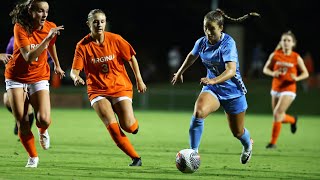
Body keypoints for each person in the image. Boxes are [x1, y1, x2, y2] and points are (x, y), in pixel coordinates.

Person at [171, 9, 259, 164]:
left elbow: (231, 71)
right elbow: (192, 56)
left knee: (238, 132)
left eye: (212, 29)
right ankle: (193, 154)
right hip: (213, 90)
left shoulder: (228, 43)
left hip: (233, 92)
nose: (208, 32)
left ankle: (248, 145)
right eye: (205, 28)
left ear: (221, 28)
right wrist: (179, 72)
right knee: (198, 113)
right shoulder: (202, 42)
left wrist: (213, 80)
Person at [70, 9, 147, 166]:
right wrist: (76, 77)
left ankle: (134, 126)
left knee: (128, 126)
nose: (99, 24)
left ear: (106, 23)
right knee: (111, 125)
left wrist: (139, 79)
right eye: (96, 21)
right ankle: (135, 158)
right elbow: (74, 71)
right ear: (88, 24)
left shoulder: (116, 39)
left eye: (102, 21)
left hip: (120, 86)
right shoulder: (82, 46)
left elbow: (131, 58)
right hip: (97, 90)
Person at [6, 0, 65, 168]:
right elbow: (28, 57)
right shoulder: (20, 27)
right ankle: (33, 157)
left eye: (46, 11)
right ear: (30, 12)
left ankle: (43, 130)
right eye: (40, 11)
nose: (44, 14)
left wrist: (57, 65)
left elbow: (51, 45)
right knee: (22, 121)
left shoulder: (49, 26)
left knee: (44, 119)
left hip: (39, 76)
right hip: (15, 77)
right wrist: (47, 39)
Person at [263, 31, 309, 149]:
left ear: (293, 43)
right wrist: (273, 73)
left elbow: (306, 73)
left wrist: (297, 77)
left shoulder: (296, 57)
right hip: (276, 88)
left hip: (289, 89)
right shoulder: (275, 55)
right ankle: (293, 120)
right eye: (284, 40)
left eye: (289, 41)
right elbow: (265, 69)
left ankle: (272, 143)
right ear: (281, 42)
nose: (286, 43)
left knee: (277, 113)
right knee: (278, 116)